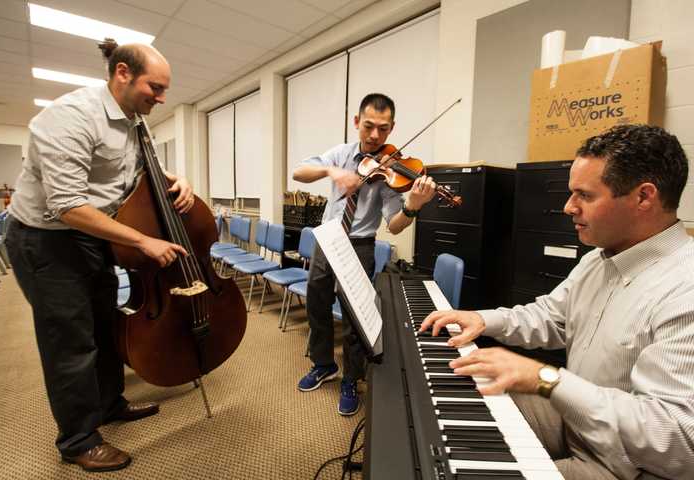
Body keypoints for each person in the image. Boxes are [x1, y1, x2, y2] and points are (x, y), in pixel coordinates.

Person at [420, 124, 694, 479]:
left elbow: (677, 439)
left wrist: (547, 378)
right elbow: (553, 316)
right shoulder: (599, 258)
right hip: (576, 421)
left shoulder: (684, 288)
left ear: (644, 197)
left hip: (625, 465)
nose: (568, 208)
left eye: (585, 196)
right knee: (451, 410)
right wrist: (483, 319)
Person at [5, 41, 194, 472]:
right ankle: (78, 440)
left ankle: (109, 403)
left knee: (105, 325)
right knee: (70, 341)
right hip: (46, 240)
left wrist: (175, 179)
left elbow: (134, 169)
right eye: (156, 88)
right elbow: (67, 205)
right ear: (123, 73)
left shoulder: (133, 120)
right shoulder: (69, 118)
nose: (162, 99)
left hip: (93, 237)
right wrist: (143, 241)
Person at [292, 93, 437, 415]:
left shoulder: (392, 172)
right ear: (357, 122)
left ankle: (351, 378)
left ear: (392, 128)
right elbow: (299, 172)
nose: (374, 136)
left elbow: (395, 226)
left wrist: (413, 208)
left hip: (360, 245)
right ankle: (323, 364)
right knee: (316, 303)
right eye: (369, 126)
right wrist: (332, 172)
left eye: (383, 129)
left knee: (354, 316)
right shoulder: (340, 154)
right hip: (327, 238)